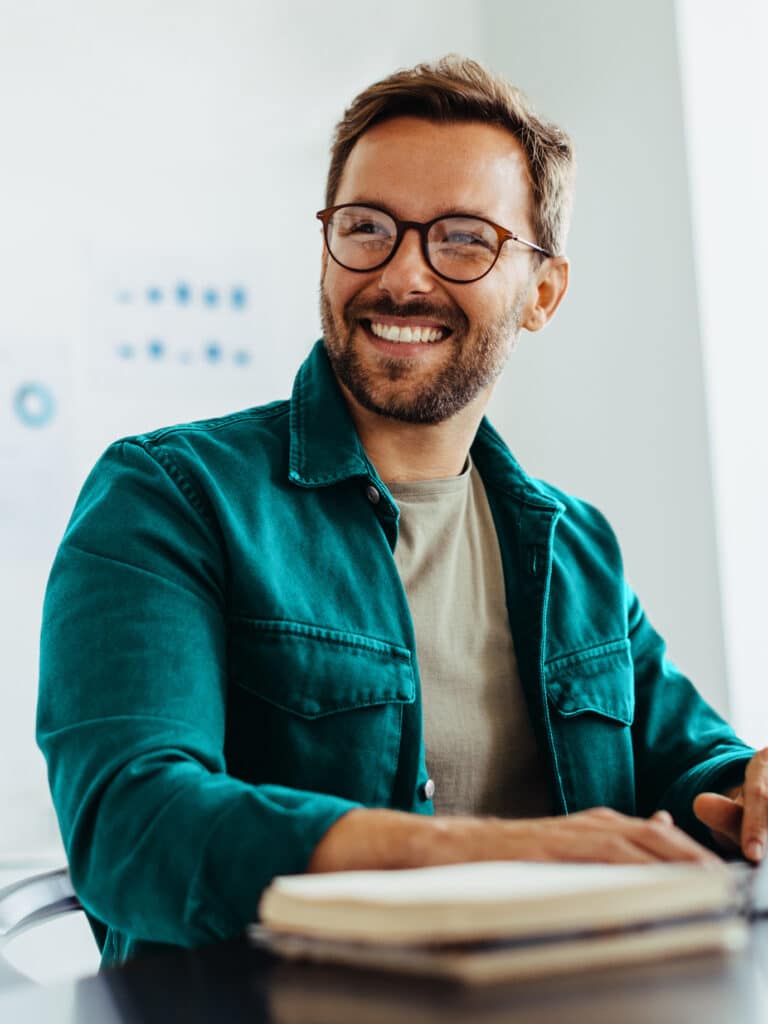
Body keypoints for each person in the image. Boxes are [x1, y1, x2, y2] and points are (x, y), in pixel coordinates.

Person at [37, 56, 764, 968]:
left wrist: (750, 786)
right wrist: (481, 852)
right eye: (367, 227)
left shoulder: (573, 545)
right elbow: (134, 827)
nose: (402, 275)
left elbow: (690, 771)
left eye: (463, 238)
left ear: (542, 292)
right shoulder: (166, 497)